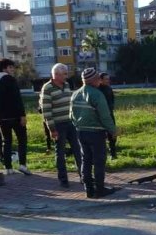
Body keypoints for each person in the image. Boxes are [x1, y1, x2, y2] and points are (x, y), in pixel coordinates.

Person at [70, 67, 117, 198]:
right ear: (94, 80)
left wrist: (78, 126)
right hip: (96, 133)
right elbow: (105, 116)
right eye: (98, 79)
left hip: (80, 131)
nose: (100, 81)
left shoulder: (75, 94)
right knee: (99, 161)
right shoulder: (97, 94)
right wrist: (112, 130)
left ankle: (88, 189)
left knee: (85, 160)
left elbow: (71, 116)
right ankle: (100, 189)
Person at [0, 58, 31, 175]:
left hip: (1, 116)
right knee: (22, 140)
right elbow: (17, 98)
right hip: (15, 115)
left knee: (6, 141)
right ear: (4, 68)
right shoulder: (9, 79)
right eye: (10, 67)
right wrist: (22, 115)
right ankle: (22, 165)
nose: (12, 70)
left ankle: (8, 167)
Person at [41, 63, 82, 188]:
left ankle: (84, 175)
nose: (66, 76)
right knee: (60, 152)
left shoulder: (67, 85)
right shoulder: (47, 88)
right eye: (64, 74)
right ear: (56, 75)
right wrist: (52, 129)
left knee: (78, 150)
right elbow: (46, 110)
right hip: (58, 125)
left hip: (71, 123)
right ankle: (63, 179)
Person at [98, 72, 117, 159]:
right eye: (106, 79)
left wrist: (111, 108)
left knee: (113, 134)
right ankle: (102, 154)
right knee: (100, 135)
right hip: (100, 116)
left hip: (110, 114)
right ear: (100, 80)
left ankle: (113, 153)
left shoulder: (109, 88)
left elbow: (112, 100)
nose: (108, 80)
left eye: (108, 79)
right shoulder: (97, 90)